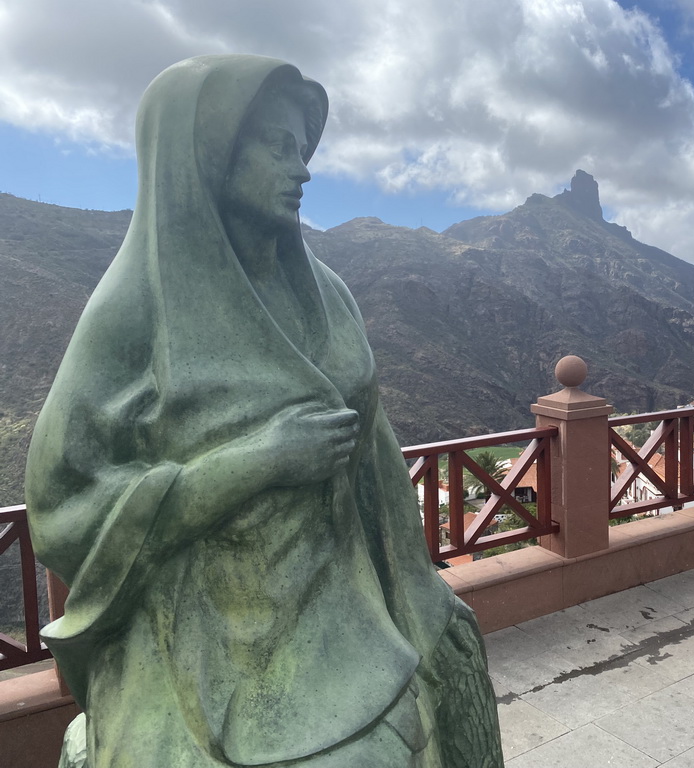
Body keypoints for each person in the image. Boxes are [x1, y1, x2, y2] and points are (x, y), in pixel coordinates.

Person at [25, 54, 503, 768]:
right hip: (205, 647)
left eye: (301, 149)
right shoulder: (134, 312)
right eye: (277, 147)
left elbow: (374, 445)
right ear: (212, 155)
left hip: (346, 611)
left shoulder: (329, 295)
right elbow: (60, 503)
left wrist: (420, 587)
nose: (301, 168)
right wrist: (258, 463)